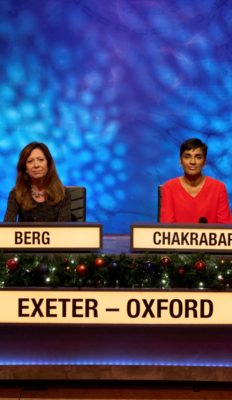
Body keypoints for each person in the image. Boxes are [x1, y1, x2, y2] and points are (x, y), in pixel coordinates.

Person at [160, 138, 231, 224]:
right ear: (180, 161)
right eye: (187, 157)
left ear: (204, 162)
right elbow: (166, 229)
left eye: (198, 157)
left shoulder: (218, 188)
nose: (192, 162)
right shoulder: (169, 187)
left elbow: (225, 229)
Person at [4, 142, 71, 222]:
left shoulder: (62, 194)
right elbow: (7, 228)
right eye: (30, 161)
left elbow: (65, 230)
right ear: (25, 168)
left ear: (48, 164)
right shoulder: (16, 193)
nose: (36, 165)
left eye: (40, 160)